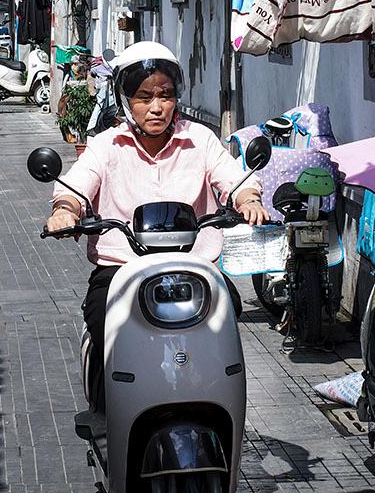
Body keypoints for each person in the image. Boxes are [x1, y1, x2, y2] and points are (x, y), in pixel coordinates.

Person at [45, 41, 264, 408]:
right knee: (103, 322)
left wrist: (248, 199)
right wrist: (65, 210)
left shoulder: (199, 139)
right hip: (121, 269)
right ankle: (105, 409)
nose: (157, 107)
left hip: (193, 266)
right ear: (125, 100)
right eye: (145, 97)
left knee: (229, 311)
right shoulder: (105, 145)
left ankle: (218, 402)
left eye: (165, 95)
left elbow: (234, 179)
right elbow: (76, 185)